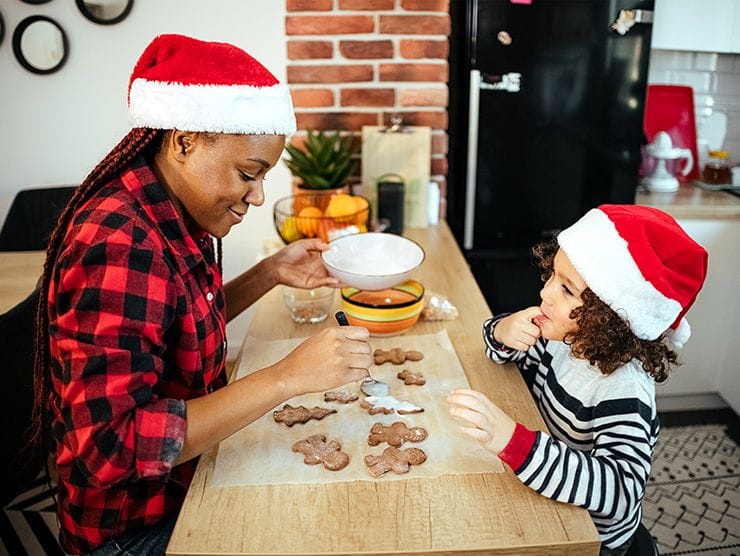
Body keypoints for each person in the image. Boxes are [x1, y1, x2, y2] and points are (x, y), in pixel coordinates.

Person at [28, 34, 373, 555]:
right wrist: (286, 378)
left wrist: (269, 273)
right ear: (186, 140)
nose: (257, 196)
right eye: (248, 173)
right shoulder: (120, 243)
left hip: (186, 481)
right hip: (134, 532)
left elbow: (175, 329)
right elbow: (109, 447)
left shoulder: (169, 208)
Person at [448, 204, 708, 555]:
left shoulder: (623, 389)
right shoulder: (566, 338)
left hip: (592, 540)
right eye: (553, 276)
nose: (546, 293)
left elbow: (620, 492)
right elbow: (501, 355)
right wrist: (503, 332)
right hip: (548, 493)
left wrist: (513, 441)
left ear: (610, 316)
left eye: (567, 290)